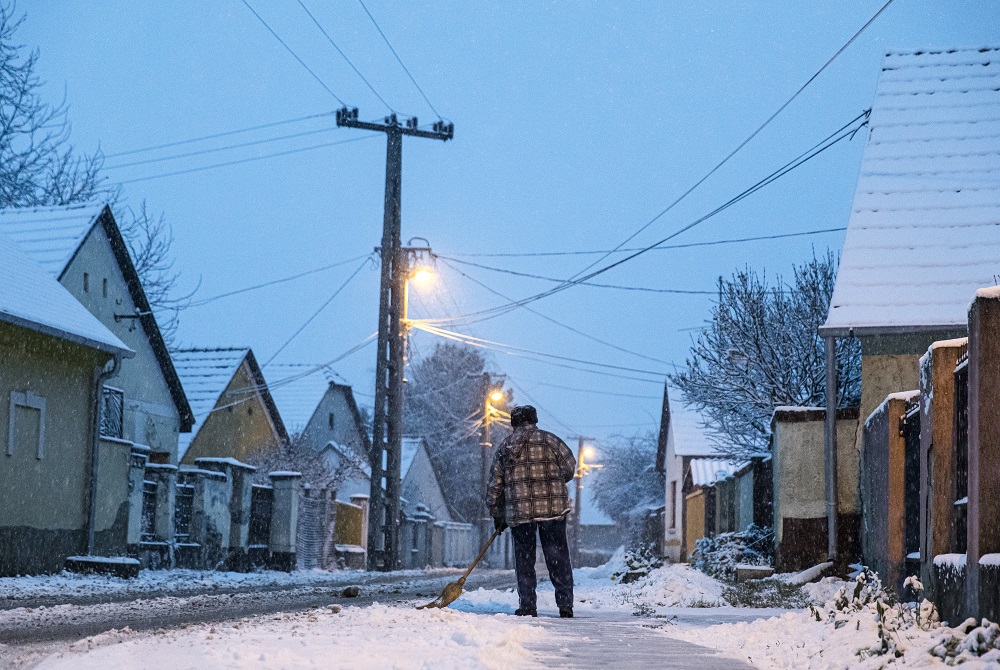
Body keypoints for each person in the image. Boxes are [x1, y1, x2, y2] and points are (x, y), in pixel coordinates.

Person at [486, 404, 577, 618]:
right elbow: (570, 467)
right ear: (534, 420)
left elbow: (494, 485)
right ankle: (565, 604)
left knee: (524, 559)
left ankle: (528, 605)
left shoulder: (505, 447)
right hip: (553, 510)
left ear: (513, 422)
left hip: (520, 512)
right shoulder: (552, 441)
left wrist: (497, 512)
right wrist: (553, 481)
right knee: (557, 556)